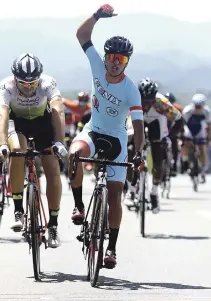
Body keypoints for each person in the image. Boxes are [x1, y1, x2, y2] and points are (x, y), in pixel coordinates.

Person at [68, 4, 144, 268]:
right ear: (105, 57)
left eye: (120, 60)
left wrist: (139, 153)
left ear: (126, 63)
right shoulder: (97, 66)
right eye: (111, 58)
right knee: (74, 154)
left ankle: (111, 248)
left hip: (117, 141)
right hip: (92, 131)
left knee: (115, 195)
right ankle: (78, 206)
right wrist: (97, 16)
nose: (114, 64)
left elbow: (139, 125)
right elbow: (81, 35)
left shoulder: (131, 89)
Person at [0, 53, 67, 248]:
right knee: (17, 150)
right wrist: (2, 145)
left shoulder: (48, 83)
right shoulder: (6, 85)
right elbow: (1, 115)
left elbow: (58, 110)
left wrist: (60, 142)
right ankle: (18, 209)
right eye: (23, 84)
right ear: (15, 79)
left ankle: (53, 225)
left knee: (52, 167)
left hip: (42, 124)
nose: (28, 87)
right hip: (17, 123)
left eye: (32, 83)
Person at [136, 78, 184, 212]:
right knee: (130, 146)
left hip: (156, 123)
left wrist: (169, 137)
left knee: (158, 157)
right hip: (138, 120)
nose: (146, 104)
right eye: (143, 100)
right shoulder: (132, 99)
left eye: (149, 101)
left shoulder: (161, 103)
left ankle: (154, 191)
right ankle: (131, 187)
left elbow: (180, 121)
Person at [182, 93, 211, 183]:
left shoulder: (207, 111)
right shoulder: (188, 110)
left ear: (204, 106)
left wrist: (208, 139)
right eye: (196, 106)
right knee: (186, 143)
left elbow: (210, 126)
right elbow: (183, 124)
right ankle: (186, 161)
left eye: (200, 106)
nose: (198, 108)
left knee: (202, 148)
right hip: (189, 128)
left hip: (200, 129)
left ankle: (203, 170)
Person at [165, 92, 183, 176]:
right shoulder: (160, 107)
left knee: (175, 143)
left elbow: (181, 122)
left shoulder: (177, 108)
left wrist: (179, 133)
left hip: (172, 130)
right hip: (163, 130)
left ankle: (175, 164)